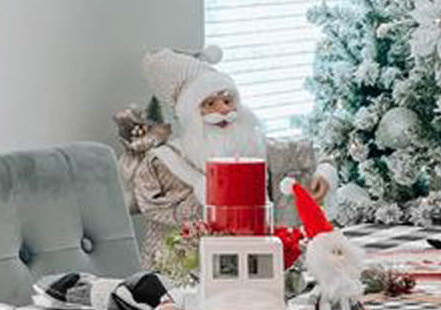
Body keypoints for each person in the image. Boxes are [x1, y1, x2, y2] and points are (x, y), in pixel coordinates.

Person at [132, 45, 337, 263]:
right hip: (193, 267)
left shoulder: (258, 148)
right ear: (191, 115)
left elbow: (313, 154)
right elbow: (154, 210)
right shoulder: (165, 162)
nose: (224, 110)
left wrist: (324, 173)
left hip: (257, 261)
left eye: (228, 101)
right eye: (210, 104)